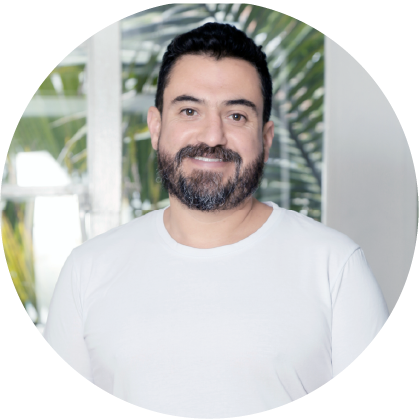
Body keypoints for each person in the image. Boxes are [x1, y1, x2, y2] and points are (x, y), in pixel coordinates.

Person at [43, 22, 389, 418]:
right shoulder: (87, 270)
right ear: (156, 127)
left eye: (237, 116)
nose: (212, 136)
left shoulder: (336, 266)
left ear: (266, 138)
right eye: (189, 111)